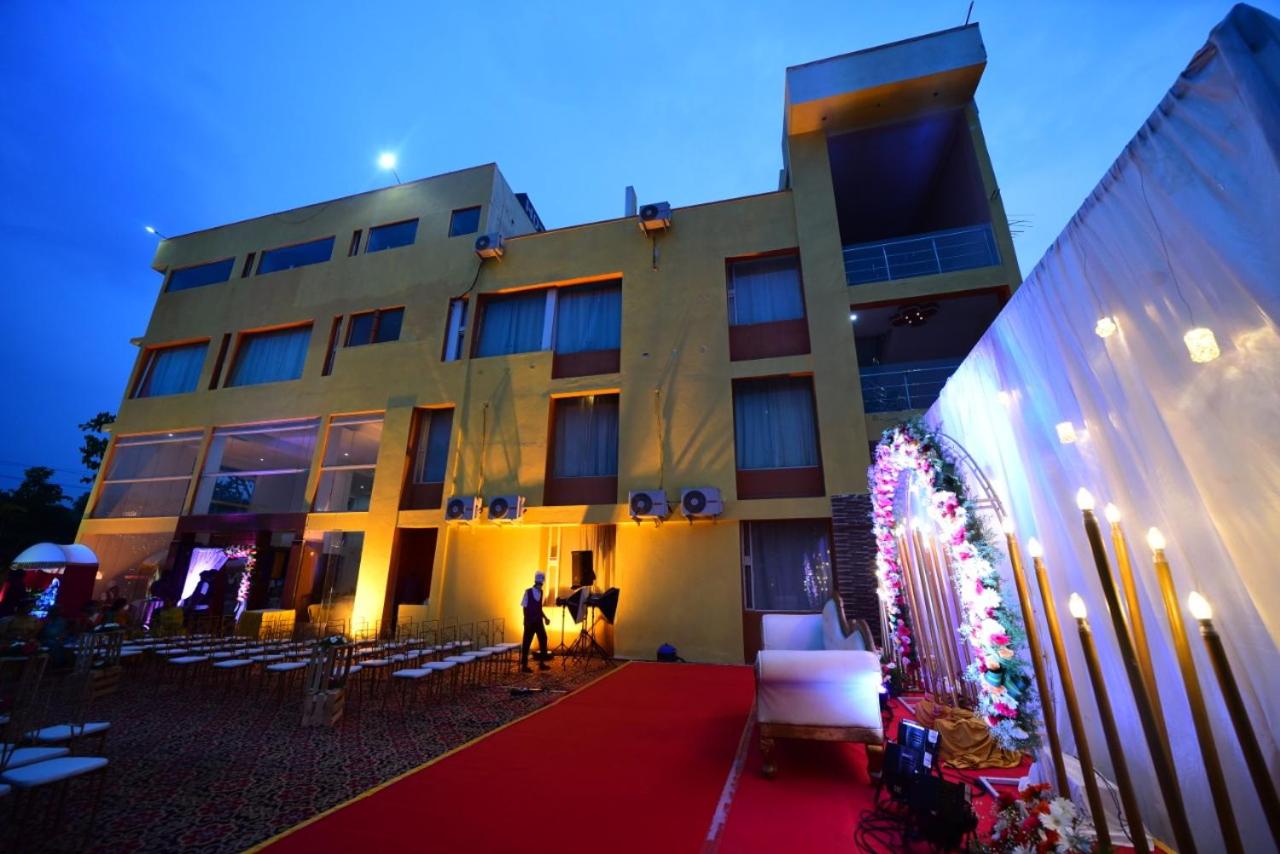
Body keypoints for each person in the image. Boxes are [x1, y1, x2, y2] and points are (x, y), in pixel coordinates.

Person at [520, 571, 552, 673]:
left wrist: (545, 618)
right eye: (539, 584)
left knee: (543, 639)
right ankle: (524, 665)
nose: (540, 586)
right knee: (526, 643)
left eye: (541, 584)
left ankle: (542, 663)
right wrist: (527, 620)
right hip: (530, 622)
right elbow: (524, 608)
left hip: (538, 621)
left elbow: (539, 608)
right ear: (536, 583)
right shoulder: (528, 592)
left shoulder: (541, 593)